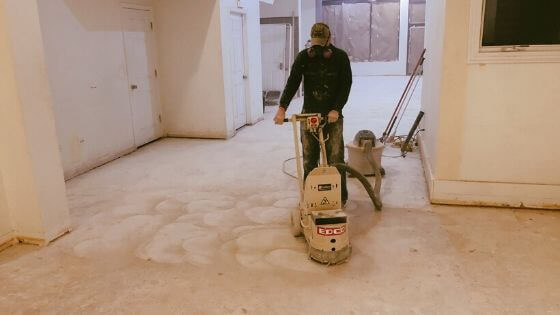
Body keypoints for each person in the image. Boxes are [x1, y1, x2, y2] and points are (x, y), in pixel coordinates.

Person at [274, 23, 352, 204]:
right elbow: (293, 82)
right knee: (309, 157)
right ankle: (311, 197)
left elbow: (345, 85)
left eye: (321, 43)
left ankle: (339, 198)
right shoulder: (303, 57)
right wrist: (282, 108)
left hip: (332, 115)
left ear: (329, 39)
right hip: (309, 114)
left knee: (336, 158)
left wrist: (336, 109)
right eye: (314, 43)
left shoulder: (340, 57)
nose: (317, 48)